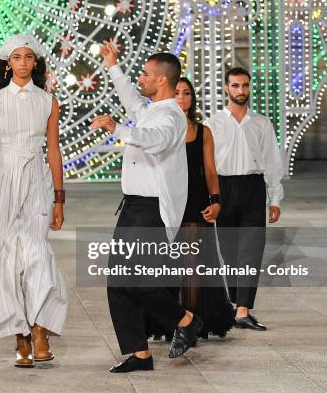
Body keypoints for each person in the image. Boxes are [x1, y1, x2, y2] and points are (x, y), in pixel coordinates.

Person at [91, 44, 203, 373]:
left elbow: (153, 139)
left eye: (146, 75)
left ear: (163, 80)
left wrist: (118, 129)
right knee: (118, 281)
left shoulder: (171, 116)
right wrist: (113, 66)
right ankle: (140, 354)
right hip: (134, 207)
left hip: (153, 209)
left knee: (137, 281)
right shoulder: (152, 108)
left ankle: (186, 319)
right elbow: (132, 100)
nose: (141, 78)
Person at [0, 34, 68, 368]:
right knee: (8, 257)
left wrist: (60, 198)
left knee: (38, 254)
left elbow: (53, 151)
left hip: (37, 181)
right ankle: (20, 335)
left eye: (29, 57)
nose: (24, 62)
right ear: (7, 63)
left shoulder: (48, 101)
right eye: (17, 57)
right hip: (3, 182)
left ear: (36, 62)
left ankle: (40, 329)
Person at [204, 67, 284, 331]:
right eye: (235, 86)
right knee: (229, 252)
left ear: (250, 88)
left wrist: (275, 197)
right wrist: (210, 198)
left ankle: (243, 310)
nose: (241, 91)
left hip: (252, 187)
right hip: (223, 189)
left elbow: (272, 162)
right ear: (226, 88)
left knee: (251, 249)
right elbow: (208, 166)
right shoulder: (212, 124)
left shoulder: (261, 123)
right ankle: (235, 303)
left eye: (245, 86)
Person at [174, 77, 235, 339]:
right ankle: (179, 319)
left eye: (187, 93)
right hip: (170, 202)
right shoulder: (161, 131)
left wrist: (216, 200)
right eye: (177, 93)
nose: (182, 98)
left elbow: (211, 171)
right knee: (171, 263)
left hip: (196, 202)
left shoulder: (203, 131)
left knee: (195, 263)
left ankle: (191, 319)